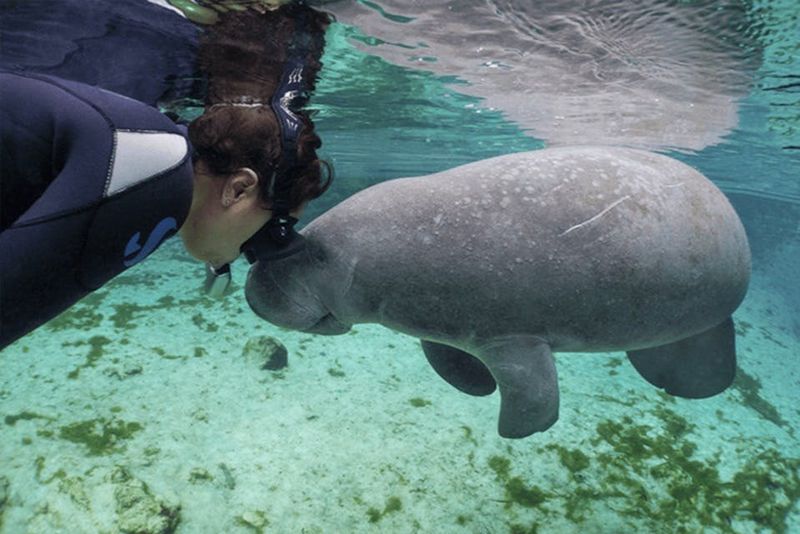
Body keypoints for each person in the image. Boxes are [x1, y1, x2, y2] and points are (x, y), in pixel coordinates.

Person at [0, 3, 332, 350]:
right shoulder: (157, 175)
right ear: (239, 189)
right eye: (263, 239)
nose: (238, 258)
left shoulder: (145, 131)